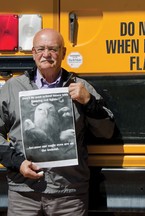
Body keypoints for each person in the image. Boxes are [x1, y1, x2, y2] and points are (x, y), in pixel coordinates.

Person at [0, 28, 115, 216]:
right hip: (24, 194)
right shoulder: (13, 88)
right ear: (33, 53)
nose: (47, 54)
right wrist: (17, 163)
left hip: (69, 194)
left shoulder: (81, 87)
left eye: (53, 49)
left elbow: (107, 131)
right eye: (41, 49)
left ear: (63, 53)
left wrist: (89, 103)